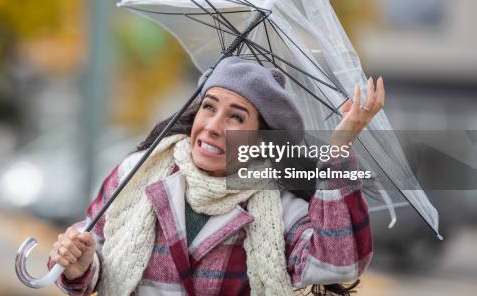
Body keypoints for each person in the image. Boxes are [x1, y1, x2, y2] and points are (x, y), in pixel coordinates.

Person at [47, 57, 384, 295]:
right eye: (208, 107)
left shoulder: (280, 211)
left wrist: (339, 147)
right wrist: (80, 265)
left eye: (236, 118)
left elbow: (338, 263)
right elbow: (95, 255)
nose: (212, 126)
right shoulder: (137, 173)